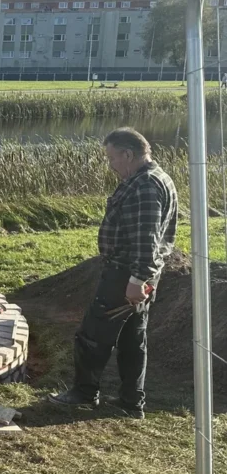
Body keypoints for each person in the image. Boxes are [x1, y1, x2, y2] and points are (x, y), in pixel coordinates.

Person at [50, 128, 178, 419]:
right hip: (138, 274)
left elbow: (146, 238)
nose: (110, 164)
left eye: (111, 157)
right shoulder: (154, 178)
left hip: (126, 275)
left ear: (128, 154)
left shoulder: (145, 185)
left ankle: (84, 392)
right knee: (133, 337)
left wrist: (137, 280)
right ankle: (131, 402)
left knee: (93, 334)